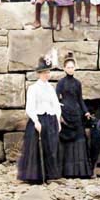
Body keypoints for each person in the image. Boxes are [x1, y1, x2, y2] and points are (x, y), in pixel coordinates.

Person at [17, 55, 62, 183]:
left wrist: (57, 120)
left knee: (50, 146)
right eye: (44, 72)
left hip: (50, 119)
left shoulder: (51, 88)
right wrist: (36, 121)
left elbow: (56, 105)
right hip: (39, 119)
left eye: (48, 72)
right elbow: (30, 107)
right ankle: (36, 175)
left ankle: (49, 174)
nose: (47, 74)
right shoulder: (33, 88)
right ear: (39, 74)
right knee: (36, 147)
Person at [56, 56, 92, 178]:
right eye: (68, 67)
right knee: (66, 141)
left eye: (72, 67)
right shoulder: (60, 83)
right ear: (64, 69)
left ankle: (79, 171)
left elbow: (80, 99)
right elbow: (56, 100)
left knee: (79, 140)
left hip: (77, 114)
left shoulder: (77, 83)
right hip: (65, 113)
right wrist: (59, 114)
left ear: (75, 68)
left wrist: (86, 111)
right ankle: (66, 171)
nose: (70, 69)